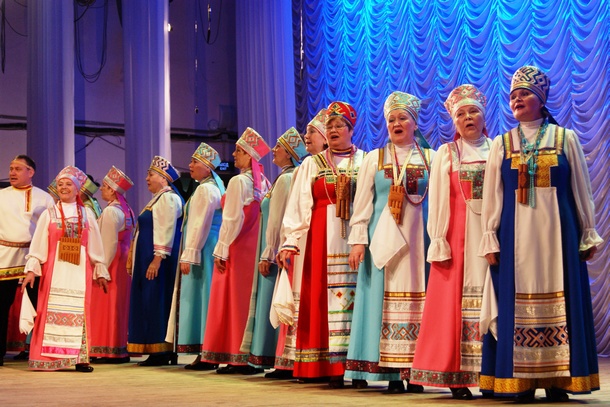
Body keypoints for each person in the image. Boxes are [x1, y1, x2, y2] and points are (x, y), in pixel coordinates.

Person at [478, 66, 603, 402]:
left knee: (564, 299)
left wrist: (588, 230)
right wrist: (489, 236)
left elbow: (581, 189)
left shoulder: (565, 139)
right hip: (513, 237)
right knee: (513, 303)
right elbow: (493, 196)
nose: (517, 100)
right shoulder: (503, 143)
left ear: (541, 99)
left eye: (525, 94)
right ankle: (519, 380)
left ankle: (558, 380)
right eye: (513, 95)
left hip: (559, 237)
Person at [345, 92, 433, 393]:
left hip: (419, 241)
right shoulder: (375, 158)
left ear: (414, 123)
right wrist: (358, 241)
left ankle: (414, 370)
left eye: (403, 118)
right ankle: (389, 372)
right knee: (378, 302)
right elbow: (362, 203)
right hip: (380, 240)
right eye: (391, 119)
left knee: (421, 302)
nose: (396, 123)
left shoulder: (431, 158)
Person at [410, 85, 490, 400]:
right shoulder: (449, 153)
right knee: (454, 306)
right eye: (461, 114)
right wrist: (439, 240)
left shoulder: (498, 149)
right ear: (454, 121)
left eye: (473, 112)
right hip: (458, 238)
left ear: (484, 116)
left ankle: (491, 372)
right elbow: (440, 200)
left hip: (491, 236)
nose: (467, 118)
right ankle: (458, 376)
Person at [278, 101, 365, 388]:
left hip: (356, 236)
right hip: (319, 239)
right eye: (330, 126)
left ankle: (356, 366)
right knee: (319, 299)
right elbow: (299, 204)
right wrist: (290, 240)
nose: (334, 130)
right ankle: (326, 365)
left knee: (358, 301)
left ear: (351, 129)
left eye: (340, 125)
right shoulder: (311, 164)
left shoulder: (365, 160)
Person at [21, 165, 110, 372]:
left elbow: (95, 245)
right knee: (49, 311)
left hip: (80, 270)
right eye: (60, 184)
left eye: (68, 184)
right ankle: (48, 358)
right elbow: (39, 244)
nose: (63, 187)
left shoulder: (87, 214)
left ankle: (79, 359)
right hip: (54, 271)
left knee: (80, 311)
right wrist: (32, 269)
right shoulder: (49, 213)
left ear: (77, 189)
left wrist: (100, 270)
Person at [200, 128, 271, 375]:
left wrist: (221, 249)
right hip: (254, 247)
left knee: (231, 301)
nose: (233, 154)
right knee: (246, 301)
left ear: (248, 155)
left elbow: (231, 218)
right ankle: (249, 355)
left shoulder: (239, 181)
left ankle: (235, 355)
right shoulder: (263, 182)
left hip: (237, 246)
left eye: (238, 151)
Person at [240, 127, 307, 377]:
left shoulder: (287, 179)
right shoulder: (282, 178)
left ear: (289, 153)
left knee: (275, 302)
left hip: (277, 249)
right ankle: (268, 356)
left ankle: (275, 357)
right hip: (275, 247)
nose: (274, 151)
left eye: (279, 147)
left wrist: (268, 252)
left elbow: (278, 219)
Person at [272, 110, 327, 375]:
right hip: (307, 238)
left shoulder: (356, 161)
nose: (307, 136)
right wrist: (288, 241)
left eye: (312, 132)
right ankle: (304, 356)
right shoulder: (308, 166)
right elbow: (294, 209)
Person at [171, 143, 224, 371]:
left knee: (202, 298)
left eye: (194, 162)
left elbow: (199, 223)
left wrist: (190, 253)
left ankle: (205, 351)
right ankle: (207, 350)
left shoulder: (205, 190)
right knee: (205, 297)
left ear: (207, 167)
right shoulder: (209, 187)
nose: (190, 165)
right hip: (206, 245)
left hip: (202, 248)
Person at [127, 156, 183, 366]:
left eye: (150, 175)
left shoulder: (168, 199)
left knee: (157, 300)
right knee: (150, 300)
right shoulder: (158, 199)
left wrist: (157, 259)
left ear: (163, 178)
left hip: (159, 260)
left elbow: (166, 229)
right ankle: (158, 349)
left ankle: (161, 350)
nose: (146, 179)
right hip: (150, 258)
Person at [0, 155, 54, 366]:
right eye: (11, 168)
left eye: (18, 169)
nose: (12, 172)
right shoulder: (2, 195)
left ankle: (39, 351)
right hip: (4, 256)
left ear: (30, 172)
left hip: (33, 257)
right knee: (1, 304)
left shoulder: (44, 198)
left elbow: (51, 229)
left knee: (37, 305)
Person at [89, 166, 135, 363]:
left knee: (107, 304)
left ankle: (108, 348)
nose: (101, 189)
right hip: (122, 258)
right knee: (118, 304)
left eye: (105, 186)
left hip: (112, 261)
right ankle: (117, 346)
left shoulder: (111, 212)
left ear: (113, 190)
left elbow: (108, 243)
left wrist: (102, 268)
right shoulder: (127, 209)